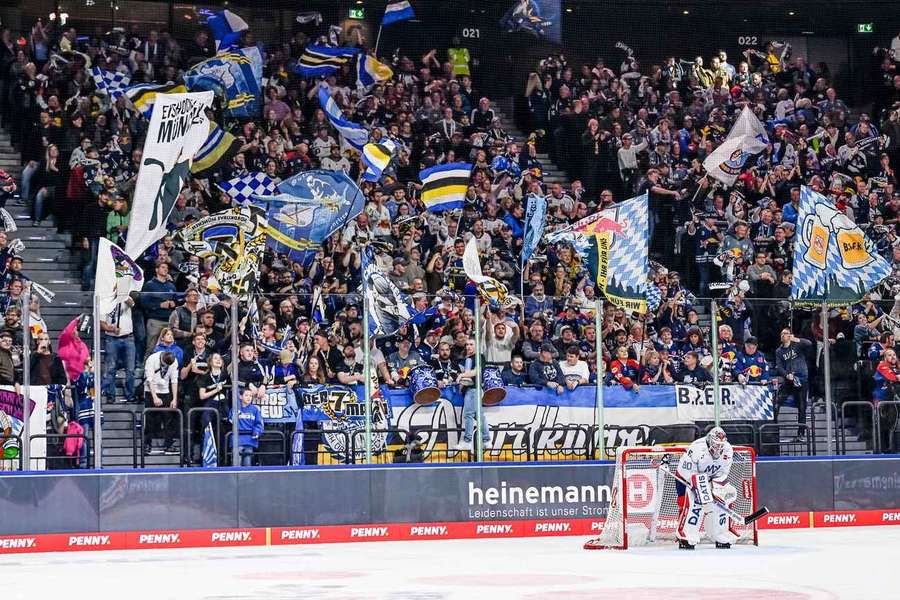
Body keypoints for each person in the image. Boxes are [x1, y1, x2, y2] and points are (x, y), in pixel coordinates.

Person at [675, 427, 737, 550]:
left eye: (721, 444)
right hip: (686, 478)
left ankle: (720, 533)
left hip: (710, 478)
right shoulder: (697, 447)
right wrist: (702, 489)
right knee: (695, 502)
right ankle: (686, 534)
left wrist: (716, 488)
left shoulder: (728, 449)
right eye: (715, 444)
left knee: (723, 497)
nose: (718, 447)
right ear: (709, 440)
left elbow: (723, 473)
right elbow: (687, 472)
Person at [774, 329, 812, 441]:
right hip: (789, 380)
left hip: (801, 379)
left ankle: (801, 434)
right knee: (777, 402)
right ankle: (772, 431)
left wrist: (796, 339)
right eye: (781, 334)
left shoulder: (797, 345)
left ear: (790, 335)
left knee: (802, 407)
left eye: (785, 333)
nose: (782, 335)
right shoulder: (779, 351)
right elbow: (779, 367)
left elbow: (809, 344)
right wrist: (786, 375)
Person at [142, 351, 179, 455]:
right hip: (151, 391)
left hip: (165, 391)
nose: (166, 366)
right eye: (164, 364)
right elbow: (149, 380)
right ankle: (147, 445)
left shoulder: (174, 361)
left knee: (169, 419)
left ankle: (169, 445)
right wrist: (155, 397)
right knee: (149, 420)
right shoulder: (152, 359)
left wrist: (174, 398)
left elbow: (174, 380)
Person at [231, 387, 264, 467]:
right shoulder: (235, 408)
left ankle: (246, 480)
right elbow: (231, 420)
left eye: (250, 395)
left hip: (250, 441)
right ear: (241, 396)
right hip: (237, 441)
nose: (249, 397)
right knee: (236, 465)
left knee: (247, 465)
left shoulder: (255, 410)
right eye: (246, 395)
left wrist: (257, 432)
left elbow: (259, 424)